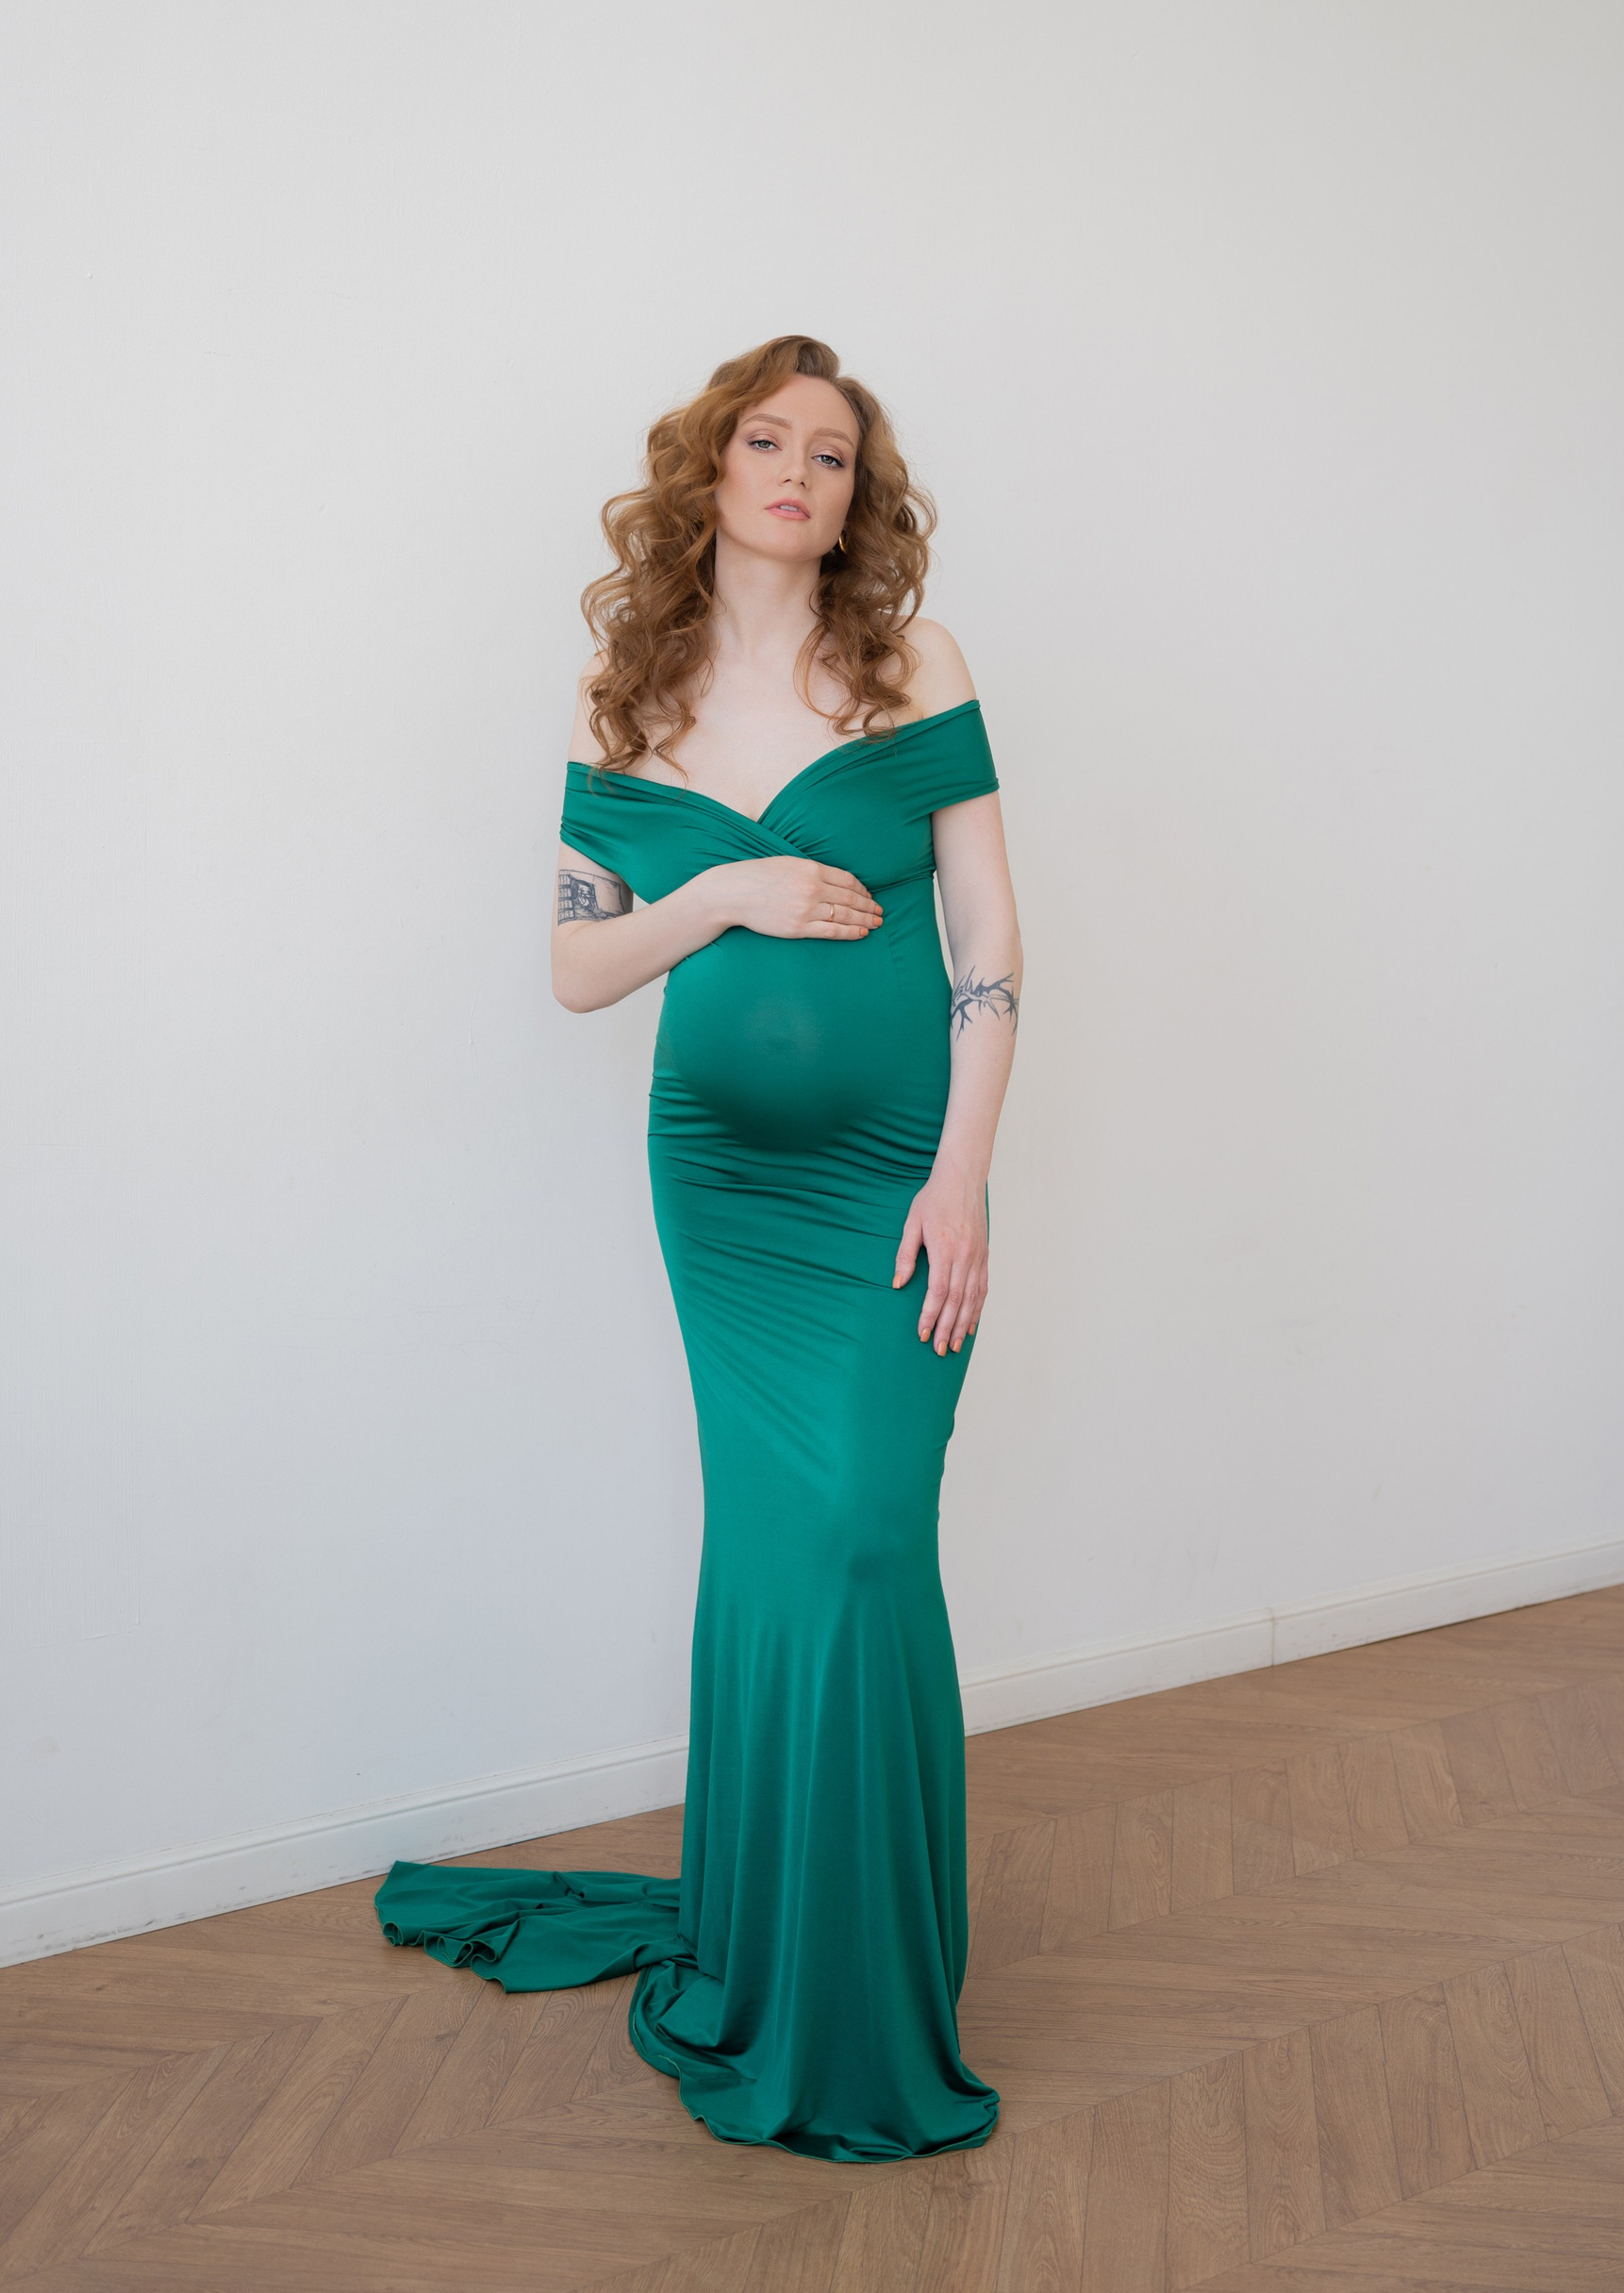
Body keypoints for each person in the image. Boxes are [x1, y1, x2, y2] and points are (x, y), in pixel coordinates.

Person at [375, 335, 1021, 2161]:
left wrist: (963, 1176)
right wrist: (723, 889)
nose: (797, 471)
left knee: (866, 1539)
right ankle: (768, 1942)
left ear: (858, 498)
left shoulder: (918, 668)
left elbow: (990, 947)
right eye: (766, 439)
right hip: (726, 1192)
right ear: (712, 469)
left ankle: (867, 1981)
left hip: (896, 1179)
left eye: (833, 453)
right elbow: (579, 966)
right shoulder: (629, 699)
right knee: (774, 1548)